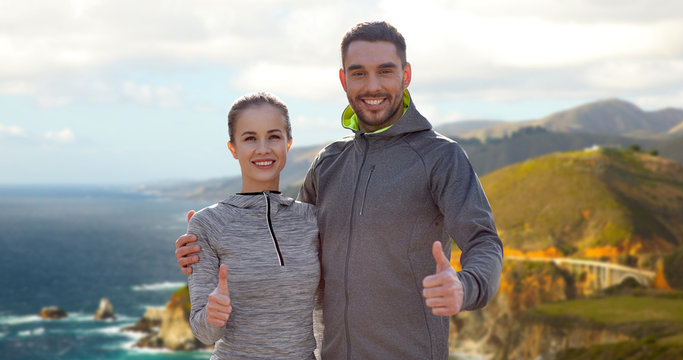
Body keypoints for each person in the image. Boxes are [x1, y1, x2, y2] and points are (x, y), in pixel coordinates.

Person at [176, 21, 503, 359]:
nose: (372, 85)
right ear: (344, 79)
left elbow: (484, 241)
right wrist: (204, 250)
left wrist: (465, 286)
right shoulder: (328, 162)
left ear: (405, 76)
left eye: (385, 71)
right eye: (358, 73)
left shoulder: (440, 157)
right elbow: (293, 246)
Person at [185, 92, 320, 359]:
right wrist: (214, 315)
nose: (263, 148)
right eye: (249, 138)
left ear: (288, 144)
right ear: (233, 148)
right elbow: (203, 333)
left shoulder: (313, 219)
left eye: (274, 136)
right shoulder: (207, 224)